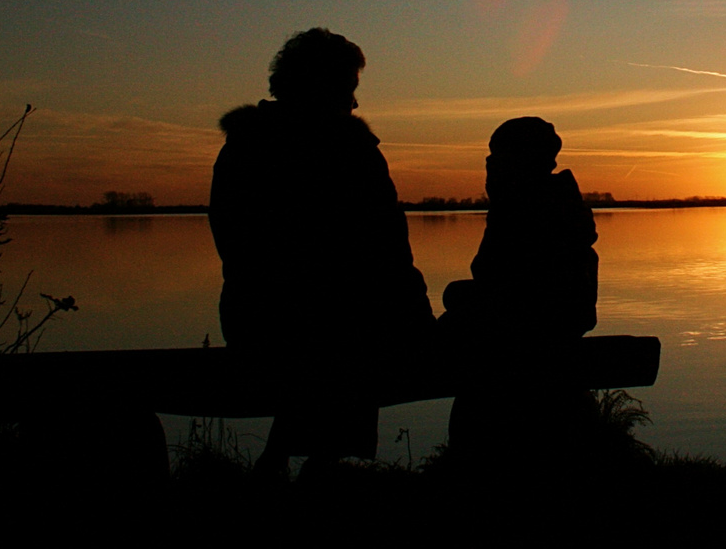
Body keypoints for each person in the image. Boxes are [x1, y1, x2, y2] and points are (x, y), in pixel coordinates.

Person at [209, 28, 431, 473]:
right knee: (345, 337)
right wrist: (417, 320)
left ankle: (291, 462)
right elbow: (387, 248)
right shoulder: (348, 151)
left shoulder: (247, 146)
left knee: (339, 333)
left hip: (257, 320)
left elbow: (232, 241)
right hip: (311, 328)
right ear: (320, 85)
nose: (354, 103)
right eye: (348, 88)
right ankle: (310, 465)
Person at [441, 116, 599, 457]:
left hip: (519, 364)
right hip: (539, 356)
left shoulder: (528, 215)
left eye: (497, 156)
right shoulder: (543, 209)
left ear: (521, 161)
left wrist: (462, 303)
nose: (489, 165)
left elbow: (507, 292)